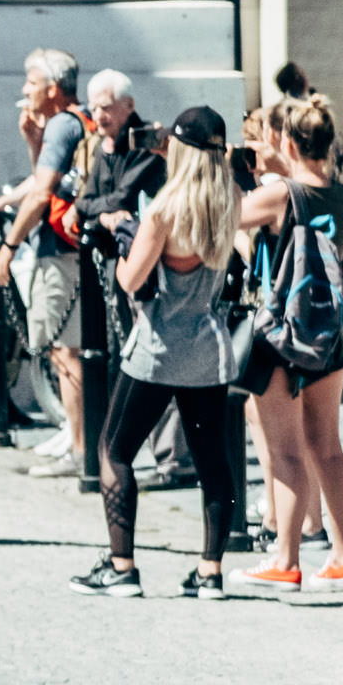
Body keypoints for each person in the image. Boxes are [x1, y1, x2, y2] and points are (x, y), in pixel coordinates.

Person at [71, 106, 248, 598]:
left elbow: (130, 280)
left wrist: (124, 237)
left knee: (115, 449)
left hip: (157, 347)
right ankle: (209, 572)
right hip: (208, 348)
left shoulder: (166, 209)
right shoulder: (230, 199)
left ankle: (122, 565)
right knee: (213, 462)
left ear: (181, 150)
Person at [235, 93, 343, 597]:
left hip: (281, 335)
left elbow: (220, 221)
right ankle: (342, 559)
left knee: (284, 452)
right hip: (329, 334)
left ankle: (286, 560)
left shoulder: (280, 195)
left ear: (286, 140)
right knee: (328, 448)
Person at [0, 49, 90, 477]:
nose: (23, 90)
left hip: (60, 254)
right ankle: (74, 432)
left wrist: (9, 244)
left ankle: (81, 449)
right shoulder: (69, 123)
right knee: (60, 348)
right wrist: (33, 143)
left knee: (66, 352)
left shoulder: (63, 125)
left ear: (52, 89)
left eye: (30, 82)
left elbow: (41, 193)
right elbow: (46, 183)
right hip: (69, 249)